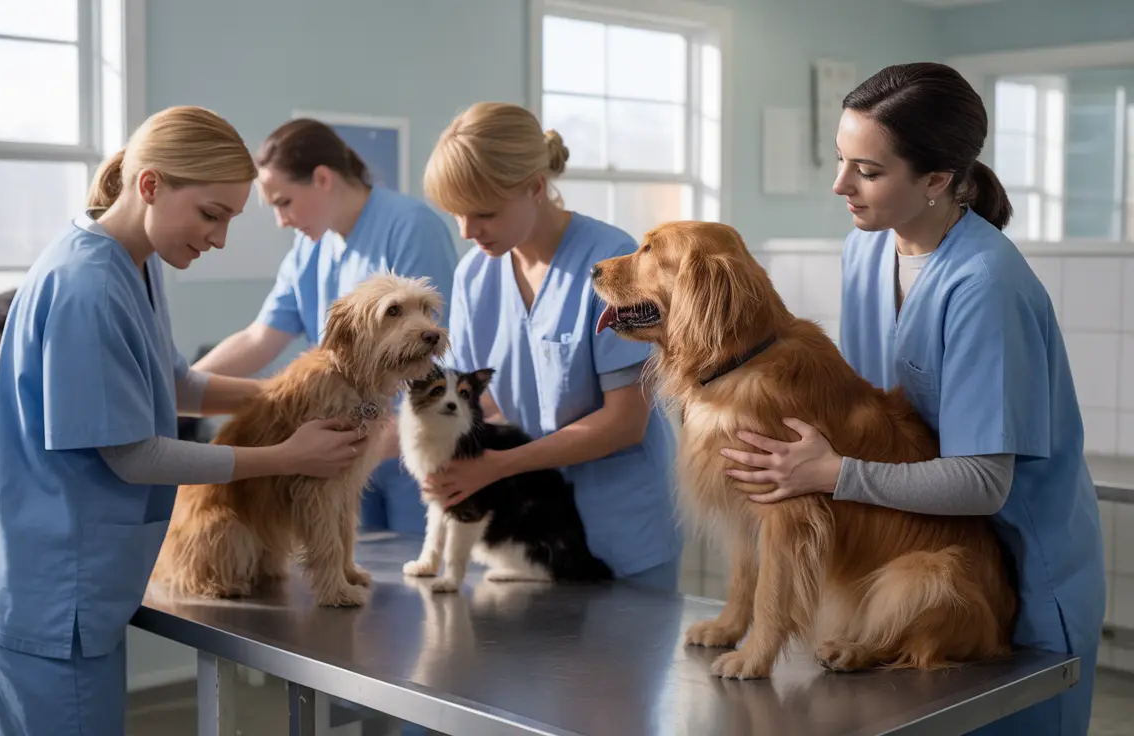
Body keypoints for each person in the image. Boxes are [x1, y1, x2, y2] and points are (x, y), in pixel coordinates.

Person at [719, 63, 1104, 735]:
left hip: (1015, 567)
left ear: (935, 181)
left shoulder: (987, 285)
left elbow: (985, 483)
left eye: (866, 171)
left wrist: (829, 472)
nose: (839, 185)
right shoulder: (864, 252)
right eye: (841, 161)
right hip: (909, 552)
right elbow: (874, 416)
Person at [0, 105, 367, 735]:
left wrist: (287, 398)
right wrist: (288, 455)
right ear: (149, 185)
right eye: (211, 215)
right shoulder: (86, 286)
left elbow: (176, 385)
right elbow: (135, 455)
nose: (220, 238)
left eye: (230, 219)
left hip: (72, 583)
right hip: (47, 592)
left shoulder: (134, 263)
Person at [419, 101, 683, 591]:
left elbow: (625, 422)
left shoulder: (612, 263)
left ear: (536, 188)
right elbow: (480, 401)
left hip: (619, 531)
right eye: (456, 213)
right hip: (529, 533)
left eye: (484, 213)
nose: (466, 231)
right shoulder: (475, 275)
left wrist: (498, 465)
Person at [194, 117, 459, 535]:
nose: (281, 220)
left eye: (284, 202)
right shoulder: (310, 247)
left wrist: (361, 448)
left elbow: (436, 355)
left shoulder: (410, 226)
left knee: (408, 580)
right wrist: (176, 390)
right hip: (338, 453)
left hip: (401, 457)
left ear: (322, 178)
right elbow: (259, 337)